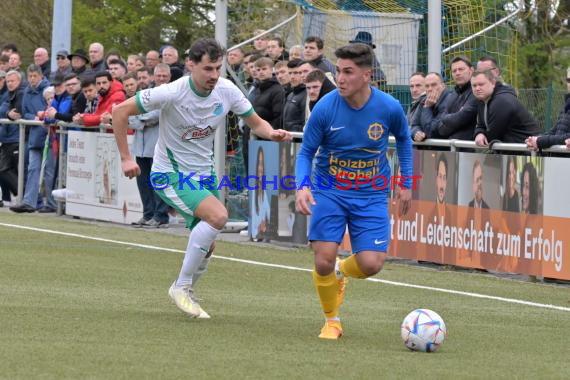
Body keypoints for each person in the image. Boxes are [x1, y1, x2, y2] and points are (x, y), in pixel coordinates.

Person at [112, 38, 291, 319]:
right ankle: (181, 286)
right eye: (208, 68)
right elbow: (119, 111)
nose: (214, 75)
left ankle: (186, 291)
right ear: (190, 65)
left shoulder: (227, 90)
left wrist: (272, 133)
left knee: (208, 245)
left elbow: (256, 121)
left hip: (203, 175)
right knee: (218, 217)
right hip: (170, 174)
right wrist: (125, 157)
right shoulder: (171, 92)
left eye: (218, 68)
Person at [295, 43, 413, 340]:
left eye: (348, 72)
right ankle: (332, 320)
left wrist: (406, 182)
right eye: (338, 72)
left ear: (367, 75)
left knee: (372, 264)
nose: (340, 78)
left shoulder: (389, 107)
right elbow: (306, 152)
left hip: (372, 193)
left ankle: (342, 272)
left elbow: (404, 141)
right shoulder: (325, 107)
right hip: (330, 190)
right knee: (323, 258)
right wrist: (302, 186)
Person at [472, 70, 540, 146]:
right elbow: (481, 125)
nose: (477, 88)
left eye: (481, 84)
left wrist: (482, 134)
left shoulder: (502, 101)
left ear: (493, 83)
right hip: (509, 149)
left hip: (525, 150)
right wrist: (479, 133)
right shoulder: (483, 100)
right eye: (474, 85)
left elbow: (493, 134)